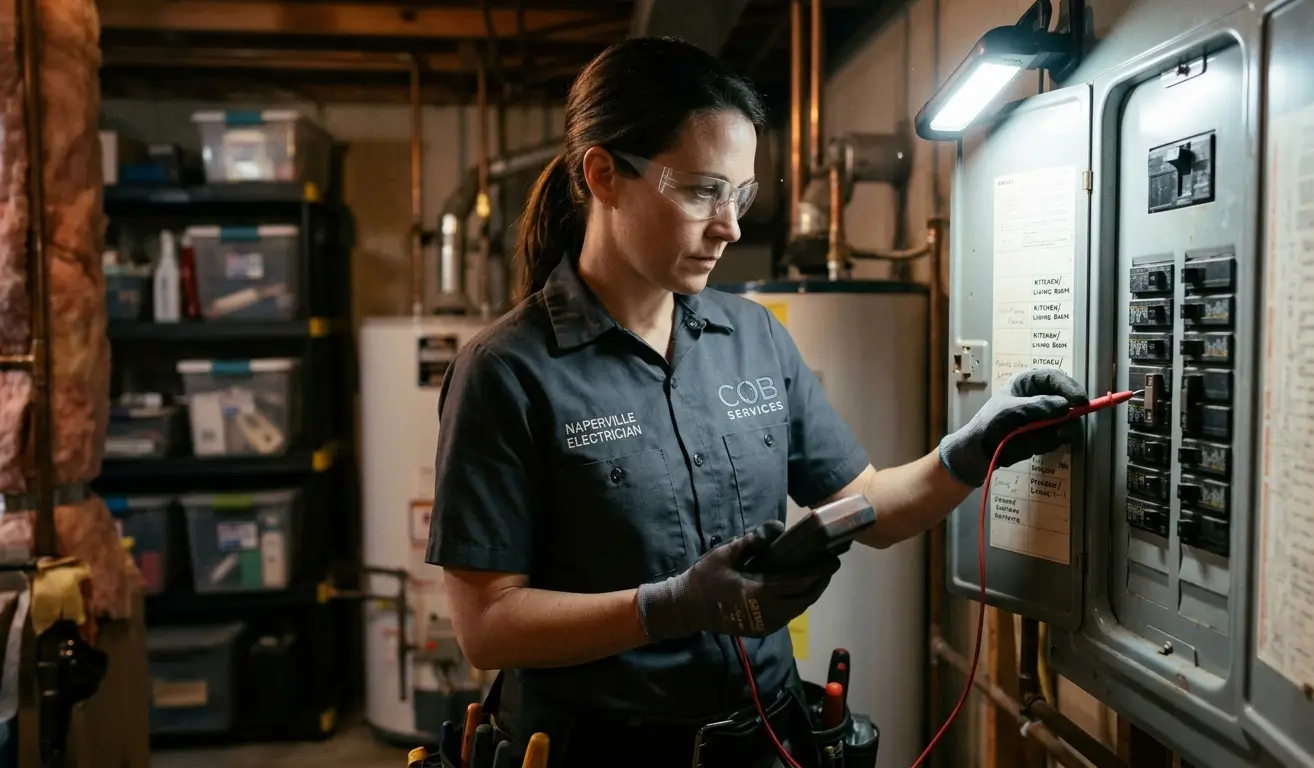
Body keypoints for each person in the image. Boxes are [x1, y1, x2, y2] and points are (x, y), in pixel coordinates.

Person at [426, 36, 1089, 768]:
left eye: (739, 195)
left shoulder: (751, 338)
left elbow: (868, 506)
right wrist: (670, 606)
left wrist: (970, 449)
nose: (731, 226)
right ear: (605, 175)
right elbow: (487, 626)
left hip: (767, 742)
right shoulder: (506, 371)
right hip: (601, 749)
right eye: (703, 190)